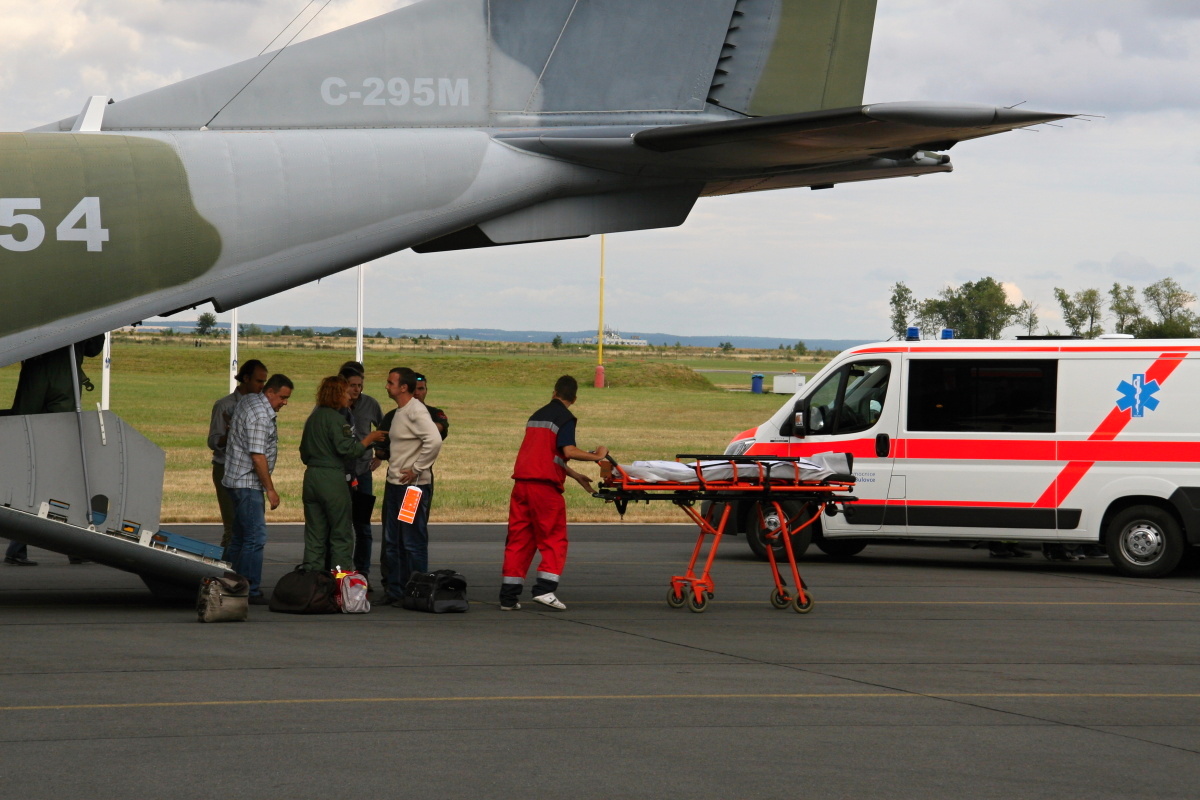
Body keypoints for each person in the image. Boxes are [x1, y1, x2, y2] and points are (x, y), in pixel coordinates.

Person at [499, 375, 607, 612]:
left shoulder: (536, 416)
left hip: (521, 485)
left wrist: (574, 474)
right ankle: (545, 589)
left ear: (554, 392)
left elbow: (546, 454)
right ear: (574, 399)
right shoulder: (565, 418)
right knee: (554, 538)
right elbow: (568, 449)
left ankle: (508, 597)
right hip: (544, 489)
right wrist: (597, 456)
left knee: (519, 541)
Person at [299, 375, 386, 574]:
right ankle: (340, 582)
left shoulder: (313, 418)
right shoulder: (338, 420)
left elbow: (304, 452)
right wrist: (369, 439)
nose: (350, 396)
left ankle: (312, 580)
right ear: (338, 394)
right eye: (347, 392)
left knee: (314, 535)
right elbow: (349, 451)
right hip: (332, 478)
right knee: (341, 534)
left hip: (311, 477)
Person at [222, 373, 293, 604]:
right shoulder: (261, 415)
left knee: (240, 537)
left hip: (235, 479)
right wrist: (270, 489)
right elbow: (258, 456)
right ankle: (249, 588)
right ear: (270, 392)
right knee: (255, 537)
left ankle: (228, 581)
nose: (285, 402)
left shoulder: (249, 400)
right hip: (247, 484)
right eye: (282, 397)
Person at [377, 368, 442, 606]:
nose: (387, 386)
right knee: (393, 540)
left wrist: (417, 468)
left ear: (403, 387)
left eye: (390, 382)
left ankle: (418, 591)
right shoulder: (399, 412)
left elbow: (434, 440)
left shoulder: (415, 410)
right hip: (395, 485)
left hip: (411, 488)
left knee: (412, 541)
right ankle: (395, 590)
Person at [207, 359, 267, 550]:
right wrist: (231, 434)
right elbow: (213, 441)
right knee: (233, 527)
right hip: (226, 469)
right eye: (258, 381)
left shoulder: (260, 407)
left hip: (251, 471)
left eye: (264, 382)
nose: (261, 387)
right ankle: (226, 571)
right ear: (246, 378)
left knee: (251, 527)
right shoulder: (224, 405)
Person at [339, 362, 384, 577]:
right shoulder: (332, 407)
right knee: (340, 524)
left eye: (359, 384)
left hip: (363, 472)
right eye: (351, 385)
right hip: (339, 473)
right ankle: (339, 571)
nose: (356, 389)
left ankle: (363, 573)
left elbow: (384, 430)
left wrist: (381, 456)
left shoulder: (370, 404)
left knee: (363, 526)